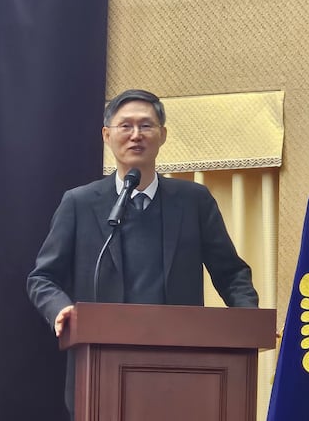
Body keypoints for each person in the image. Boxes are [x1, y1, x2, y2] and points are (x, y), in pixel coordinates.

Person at [27, 89, 258, 418]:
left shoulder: (193, 201)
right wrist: (61, 309)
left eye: (146, 126)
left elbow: (231, 272)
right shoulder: (79, 203)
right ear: (107, 135)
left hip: (183, 367)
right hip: (102, 369)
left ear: (162, 135)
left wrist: (248, 319)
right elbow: (42, 278)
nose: (136, 135)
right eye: (125, 126)